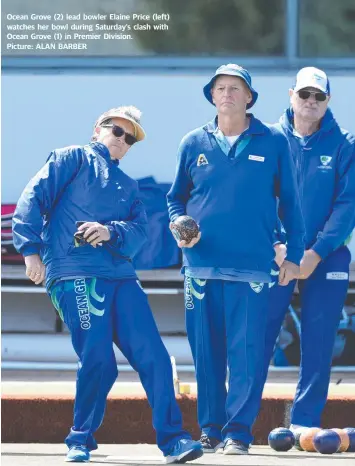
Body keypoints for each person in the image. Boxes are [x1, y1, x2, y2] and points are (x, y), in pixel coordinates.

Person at [12, 106, 203, 464]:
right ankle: (80, 437)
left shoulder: (130, 187)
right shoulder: (70, 157)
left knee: (156, 358)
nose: (122, 141)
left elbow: (140, 235)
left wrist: (110, 231)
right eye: (117, 132)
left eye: (130, 139)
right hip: (73, 272)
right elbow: (32, 198)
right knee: (98, 357)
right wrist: (30, 251)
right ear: (97, 129)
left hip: (121, 277)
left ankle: (174, 440)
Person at [167, 64, 305, 455]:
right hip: (200, 267)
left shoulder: (275, 141)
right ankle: (210, 430)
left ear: (249, 97)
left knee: (246, 355)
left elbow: (293, 206)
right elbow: (175, 198)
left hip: (253, 268)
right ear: (212, 96)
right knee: (206, 354)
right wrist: (179, 221)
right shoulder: (193, 142)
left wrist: (293, 258)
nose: (226, 93)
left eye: (235, 88)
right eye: (220, 88)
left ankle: (238, 433)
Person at [262, 67, 355, 430]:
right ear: (291, 96)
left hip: (327, 254)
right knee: (260, 334)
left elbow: (347, 206)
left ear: (328, 100)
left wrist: (315, 254)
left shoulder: (345, 144)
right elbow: (259, 198)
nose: (311, 102)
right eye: (305, 95)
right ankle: (238, 425)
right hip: (277, 254)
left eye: (319, 96)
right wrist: (279, 247)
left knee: (320, 340)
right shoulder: (269, 140)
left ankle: (303, 421)